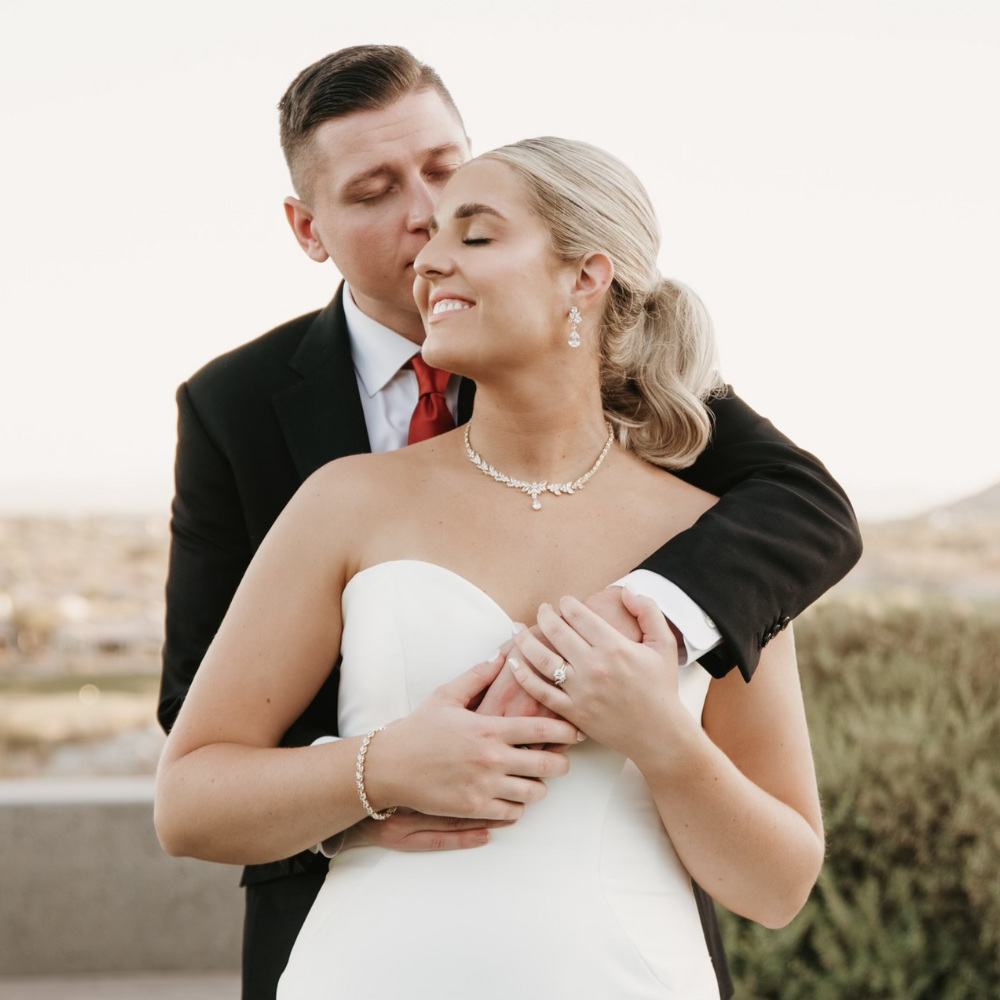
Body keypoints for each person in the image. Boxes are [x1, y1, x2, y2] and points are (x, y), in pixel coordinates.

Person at [157, 46, 859, 1000]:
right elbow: (193, 762)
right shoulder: (311, 472)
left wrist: (659, 729)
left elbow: (779, 879)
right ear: (307, 226)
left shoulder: (716, 534)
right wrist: (374, 776)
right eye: (375, 192)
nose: (426, 240)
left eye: (459, 208)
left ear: (587, 278)